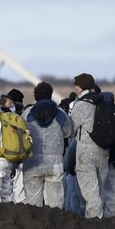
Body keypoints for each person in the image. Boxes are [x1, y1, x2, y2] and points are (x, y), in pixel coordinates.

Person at [21, 81, 74, 209]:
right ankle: (54, 228)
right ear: (51, 95)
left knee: (33, 205)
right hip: (54, 162)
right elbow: (68, 132)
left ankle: (34, 227)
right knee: (55, 204)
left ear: (35, 96)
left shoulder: (27, 113)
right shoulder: (60, 113)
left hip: (32, 162)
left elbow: (21, 133)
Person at [69, 73, 110, 218]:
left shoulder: (81, 104)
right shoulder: (103, 102)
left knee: (90, 193)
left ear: (80, 87)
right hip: (104, 150)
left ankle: (94, 224)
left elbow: (70, 130)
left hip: (85, 152)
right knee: (101, 191)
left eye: (76, 85)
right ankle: (103, 221)